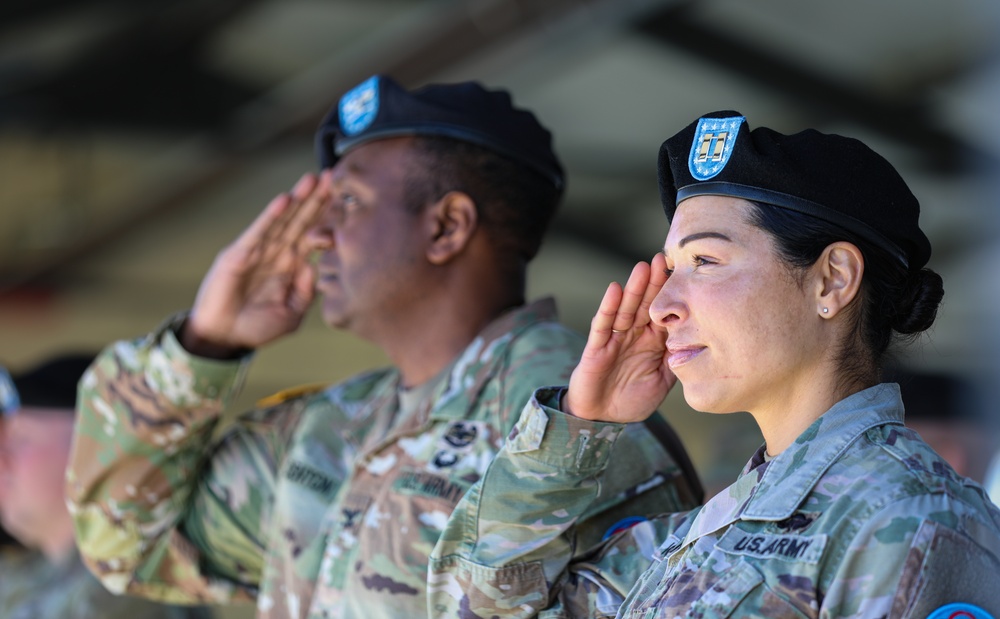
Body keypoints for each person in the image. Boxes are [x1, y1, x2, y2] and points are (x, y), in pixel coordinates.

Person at [67, 75, 703, 619]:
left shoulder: (577, 415)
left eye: (346, 201)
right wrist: (204, 346)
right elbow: (127, 542)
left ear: (446, 226)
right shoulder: (332, 424)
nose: (316, 234)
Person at [428, 111, 1000, 618]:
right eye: (671, 267)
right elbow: (478, 607)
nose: (660, 305)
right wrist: (578, 425)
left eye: (704, 260)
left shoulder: (912, 519)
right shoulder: (689, 539)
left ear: (832, 280)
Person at [0, 356, 212, 619]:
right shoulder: (24, 575)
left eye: (19, 440)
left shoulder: (135, 579)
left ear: (95, 447)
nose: (2, 461)